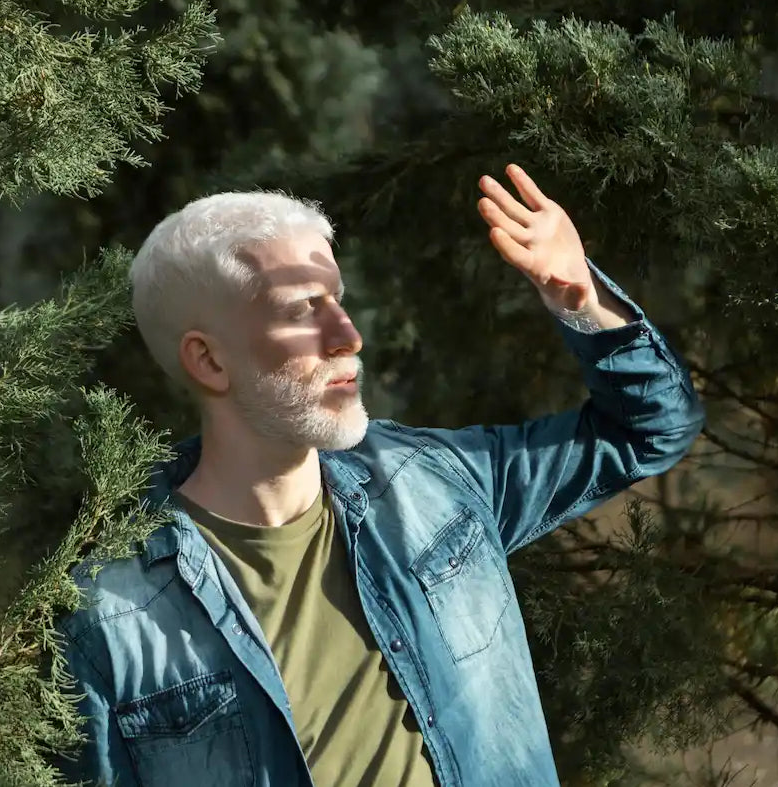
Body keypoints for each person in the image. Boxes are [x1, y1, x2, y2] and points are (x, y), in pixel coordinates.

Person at [55, 164, 705, 787]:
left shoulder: (430, 481)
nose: (347, 335)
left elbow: (648, 429)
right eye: (305, 309)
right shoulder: (108, 614)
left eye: (339, 300)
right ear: (209, 360)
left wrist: (583, 304)